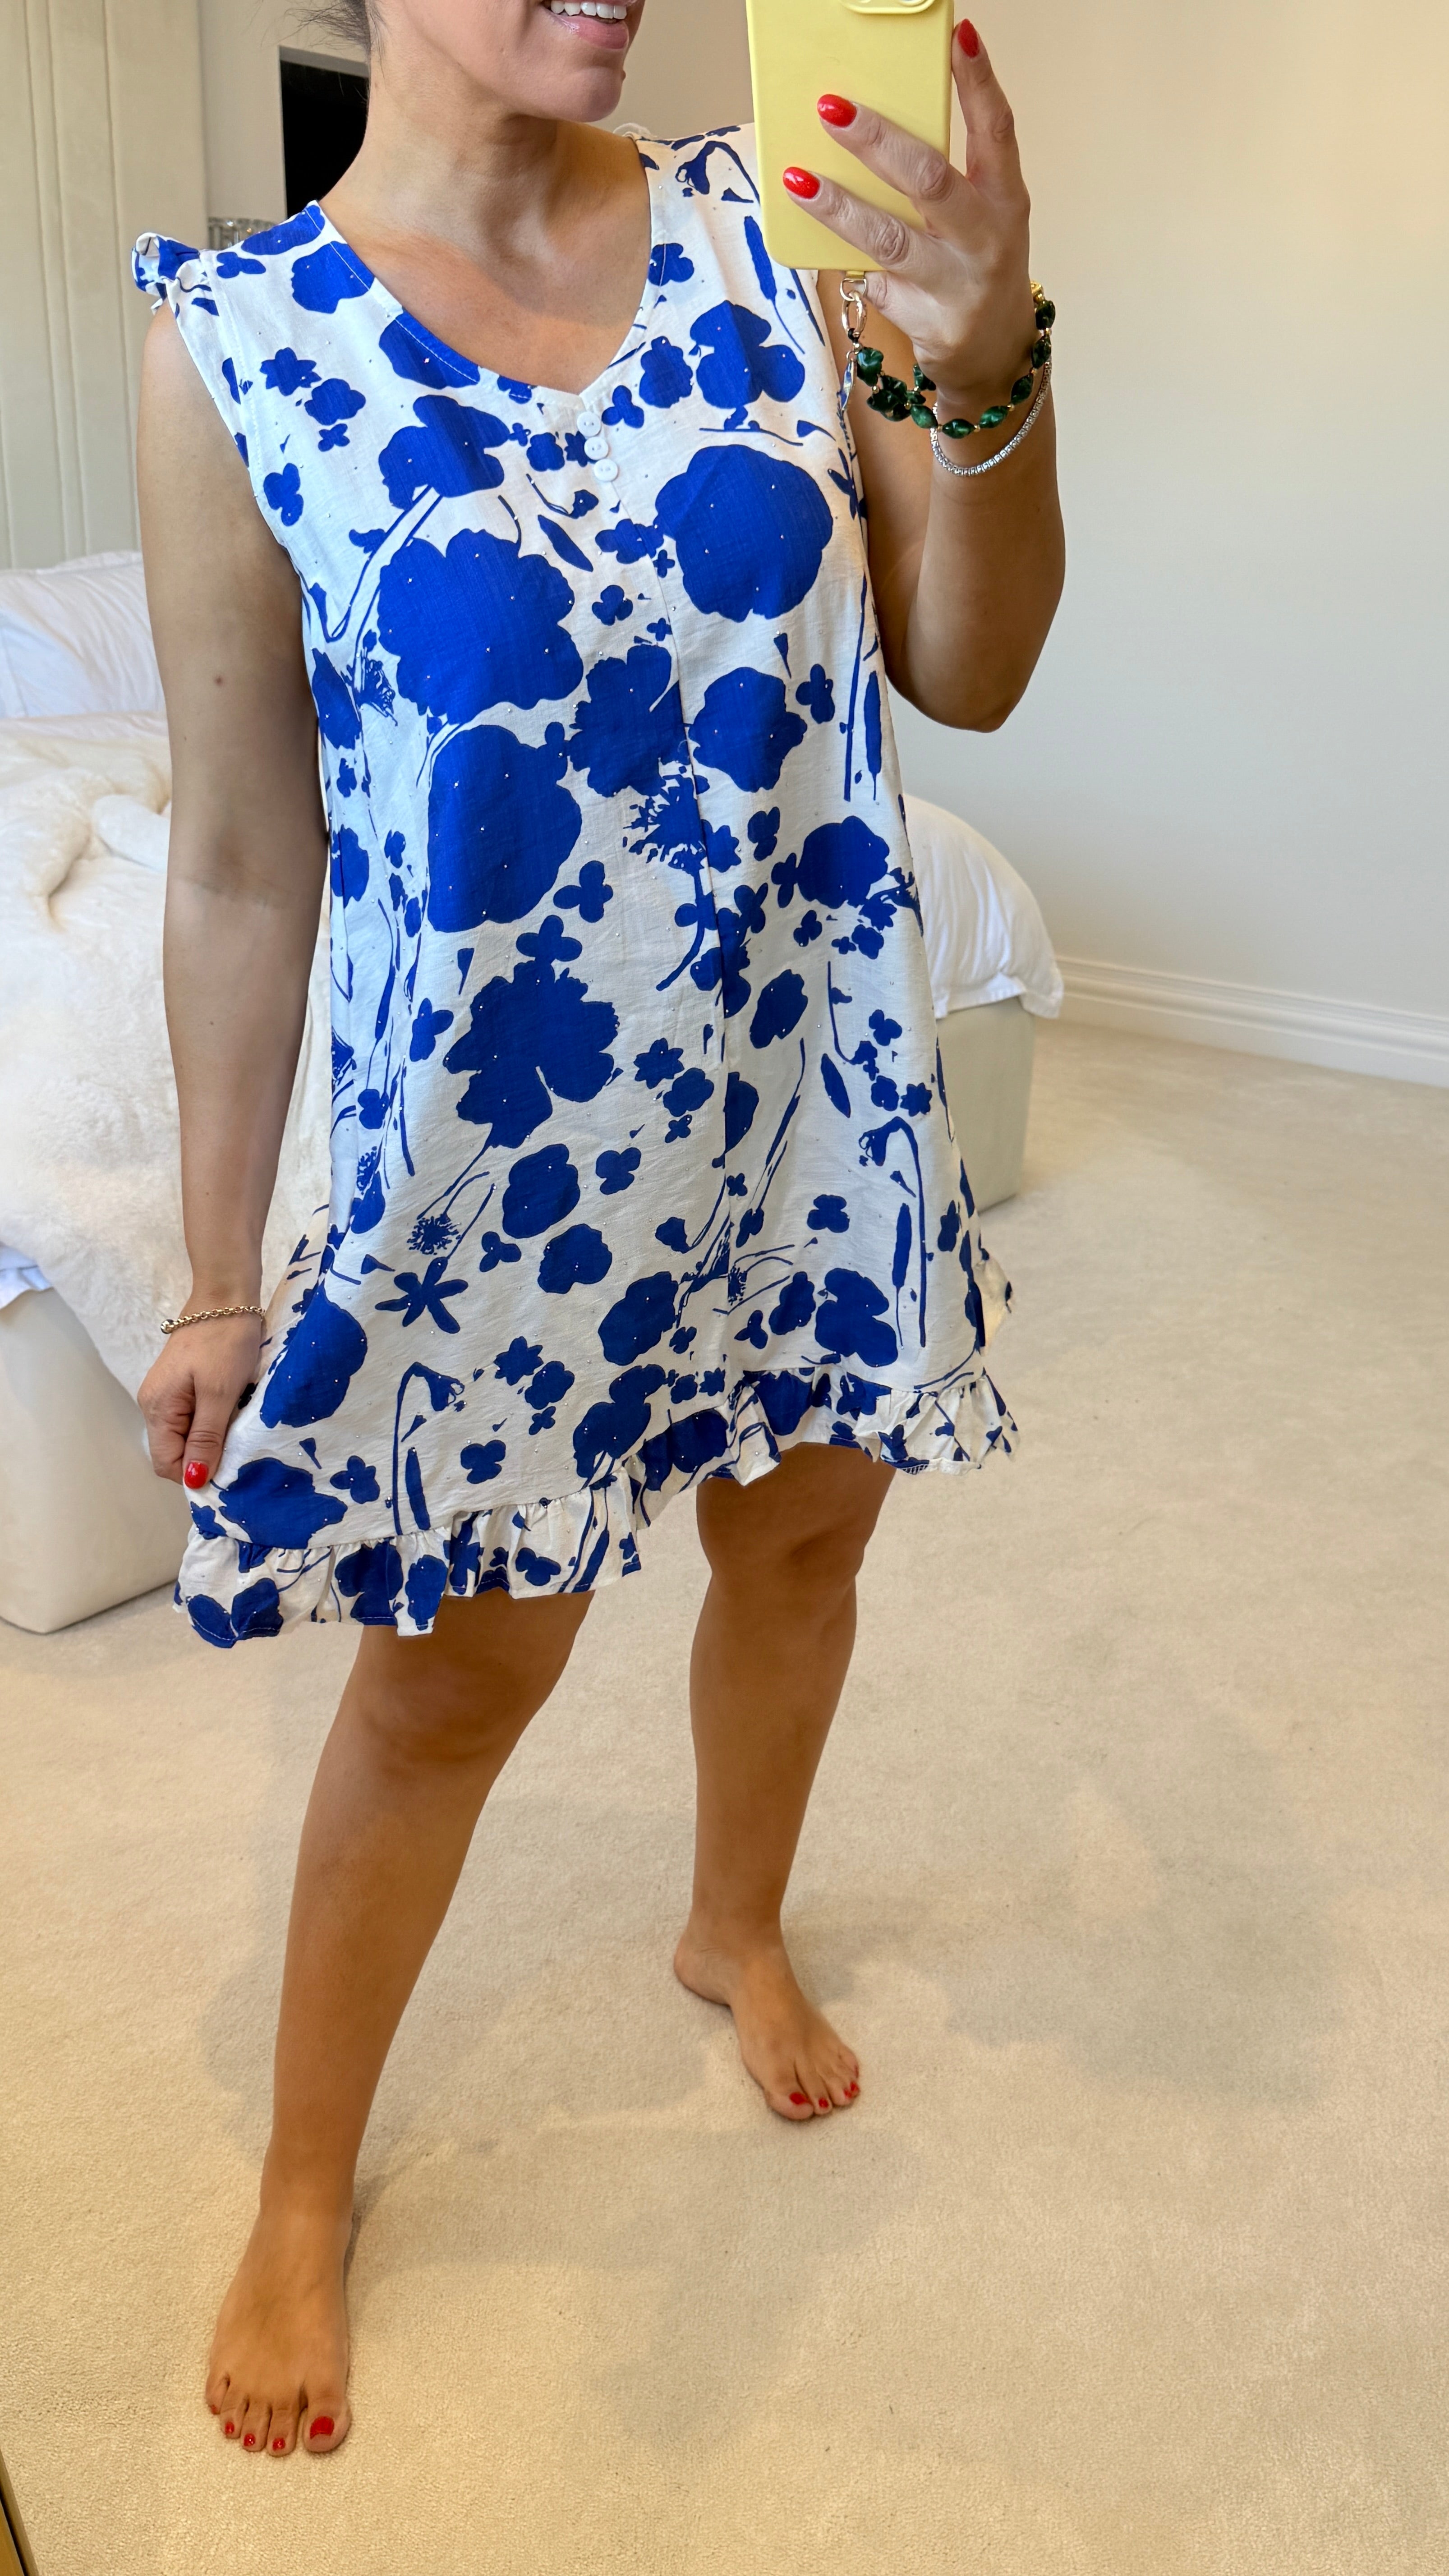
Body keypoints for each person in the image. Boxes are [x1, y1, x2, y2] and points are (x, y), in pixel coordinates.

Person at [133, 0, 1063, 2460]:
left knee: (804, 1549)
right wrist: (221, 1280)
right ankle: (305, 2188)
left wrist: (990, 369)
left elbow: (968, 669)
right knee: (451, 1685)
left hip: (805, 1092)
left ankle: (731, 1923)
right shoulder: (238, 346)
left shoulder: (783, 237)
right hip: (491, 1162)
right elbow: (239, 863)